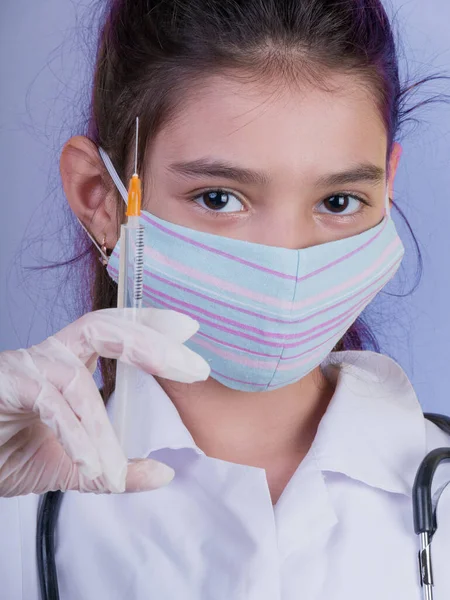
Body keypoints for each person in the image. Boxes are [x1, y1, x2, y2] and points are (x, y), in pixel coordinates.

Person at [1, 0, 450, 598]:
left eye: (338, 201)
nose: (287, 259)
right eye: (218, 198)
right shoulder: (15, 496)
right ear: (100, 200)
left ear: (387, 187)